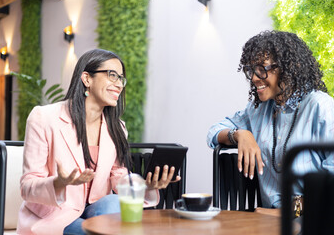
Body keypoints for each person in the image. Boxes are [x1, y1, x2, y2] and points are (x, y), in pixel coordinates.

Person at [17, 49, 180, 235]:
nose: (119, 84)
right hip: (55, 215)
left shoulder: (117, 127)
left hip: (97, 210)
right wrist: (59, 183)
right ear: (87, 79)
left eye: (121, 78)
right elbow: (27, 186)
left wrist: (146, 186)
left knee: (113, 203)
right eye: (112, 75)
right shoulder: (44, 117)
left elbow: (117, 175)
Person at [207, 30, 334, 210]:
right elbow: (213, 131)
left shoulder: (321, 107)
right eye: (251, 70)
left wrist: (291, 212)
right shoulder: (258, 109)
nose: (254, 78)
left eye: (262, 69)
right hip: (268, 220)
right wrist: (239, 134)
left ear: (289, 67)